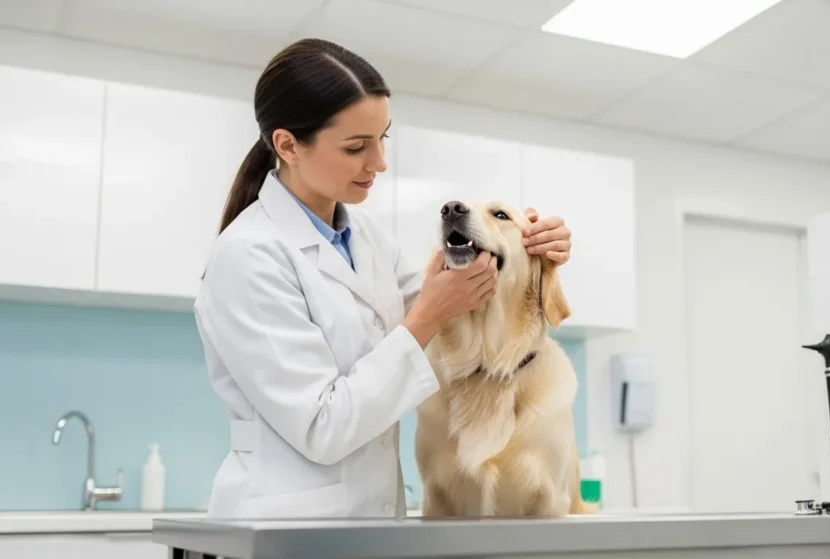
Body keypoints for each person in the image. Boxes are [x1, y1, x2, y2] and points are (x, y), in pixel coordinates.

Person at [193, 37, 574, 519]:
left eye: (382, 139)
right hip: (284, 527)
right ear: (287, 145)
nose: (379, 163)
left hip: (370, 521)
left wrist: (536, 252)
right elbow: (322, 426)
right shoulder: (248, 257)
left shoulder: (364, 237)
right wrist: (428, 315)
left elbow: (461, 307)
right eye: (356, 147)